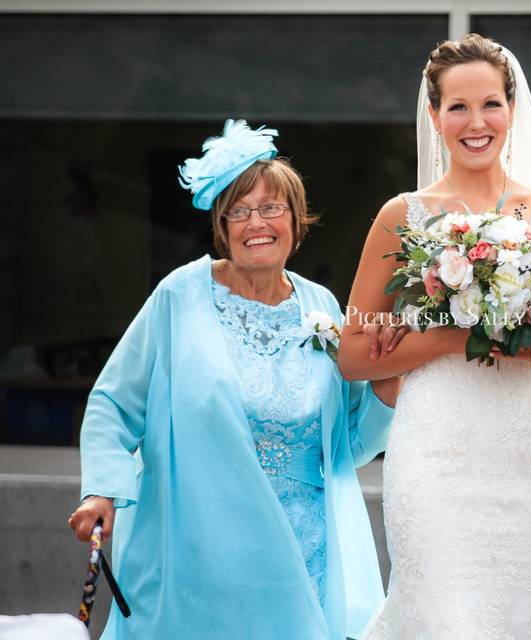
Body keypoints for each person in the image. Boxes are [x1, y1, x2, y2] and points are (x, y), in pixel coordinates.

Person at [339, 34, 531, 639]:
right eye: (458, 107)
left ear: (512, 109)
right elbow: (353, 352)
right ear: (434, 116)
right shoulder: (404, 216)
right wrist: (455, 336)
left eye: (490, 105)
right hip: (437, 454)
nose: (477, 123)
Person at [67, 120, 402, 639]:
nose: (256, 223)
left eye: (271, 208)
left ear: (296, 218)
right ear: (222, 227)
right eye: (239, 212)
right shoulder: (179, 295)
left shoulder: (323, 307)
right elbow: (115, 402)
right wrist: (102, 492)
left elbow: (348, 445)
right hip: (201, 546)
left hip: (302, 551)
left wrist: (387, 392)